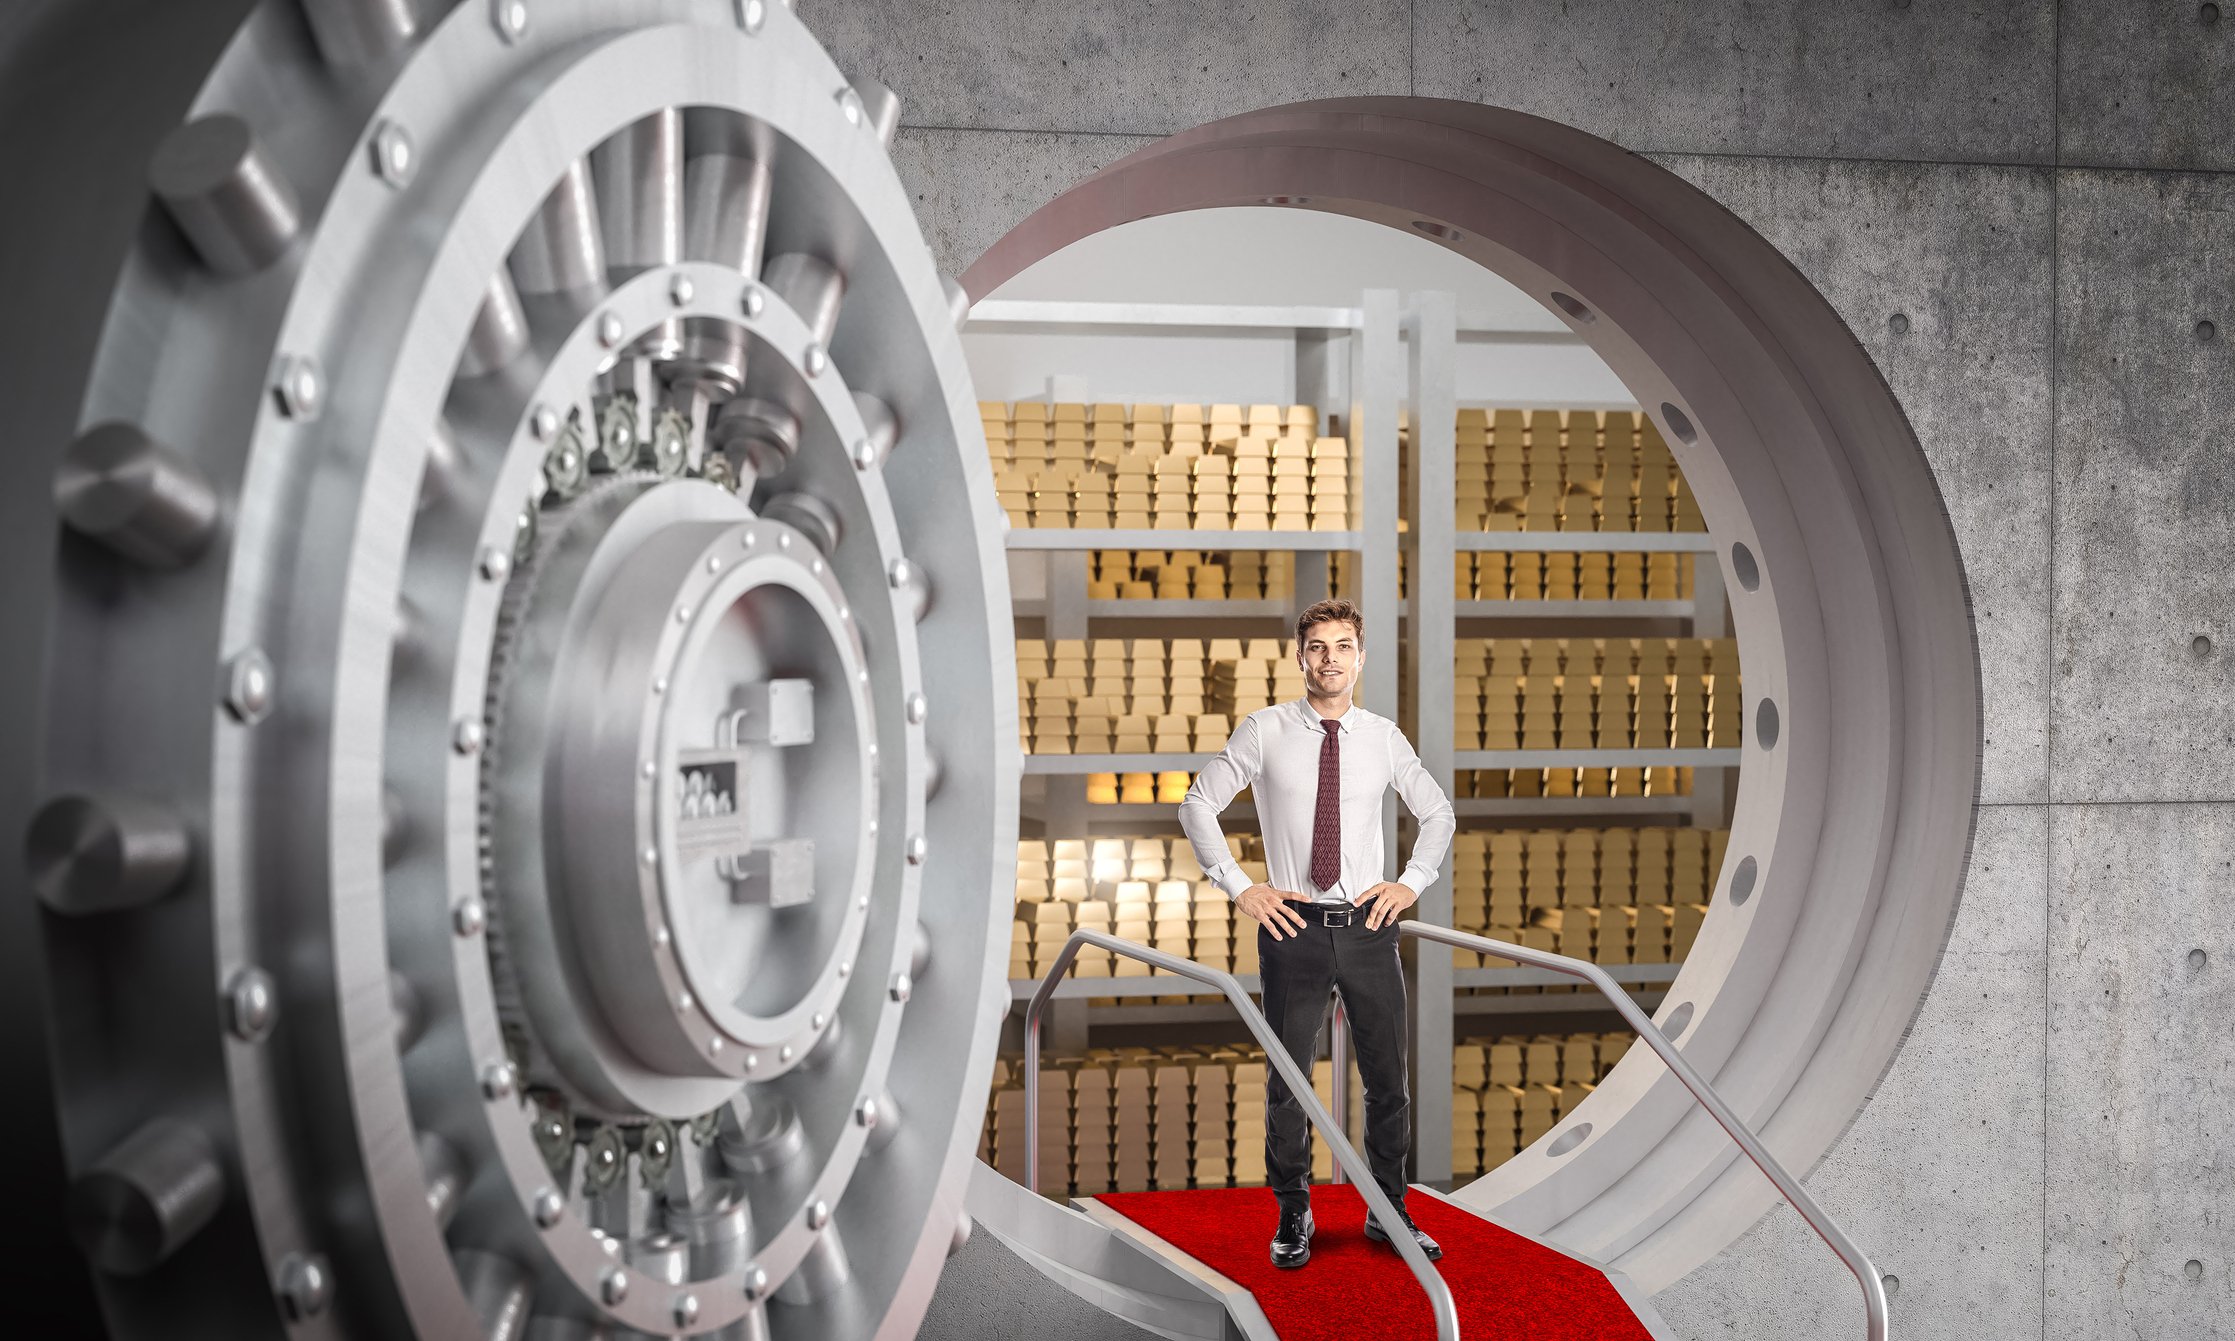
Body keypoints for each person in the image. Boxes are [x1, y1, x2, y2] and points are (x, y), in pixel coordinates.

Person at [1177, 598, 1456, 1269]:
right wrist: (1241, 886)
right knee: (1288, 1081)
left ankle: (1387, 1209)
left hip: (1368, 929)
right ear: (1299, 656)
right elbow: (1196, 801)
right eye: (1317, 647)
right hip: (1291, 926)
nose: (1329, 658)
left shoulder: (1384, 737)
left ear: (1360, 658)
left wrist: (1410, 882)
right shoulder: (1264, 730)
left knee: (1388, 1079)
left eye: (1342, 646)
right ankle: (1293, 1210)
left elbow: (1438, 812)